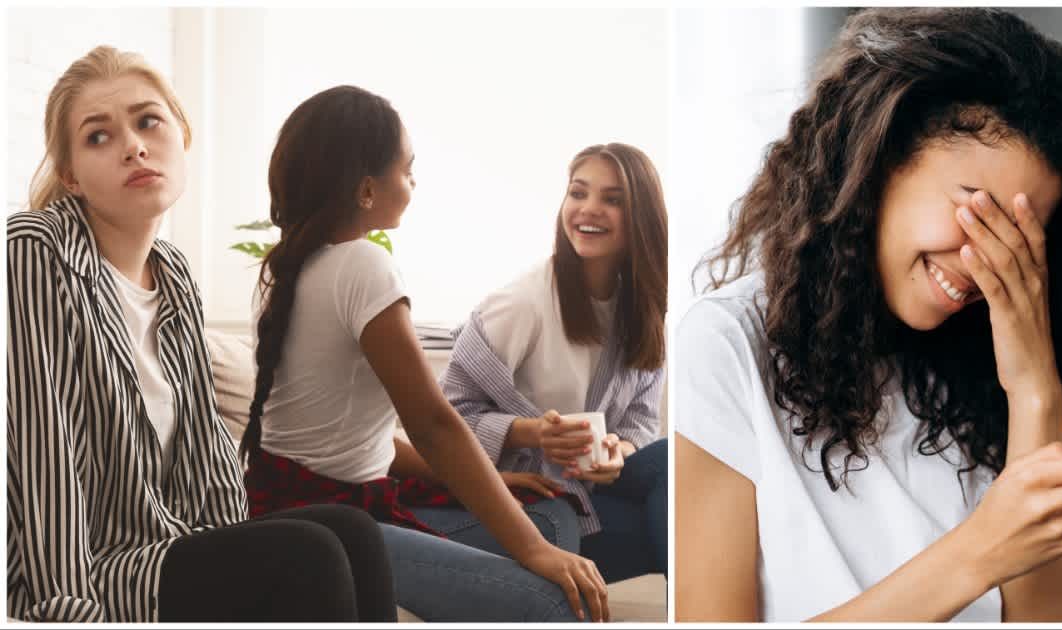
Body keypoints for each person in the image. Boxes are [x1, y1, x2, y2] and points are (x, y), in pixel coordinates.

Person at [674, 8, 1062, 622]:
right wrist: (983, 550)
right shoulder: (727, 344)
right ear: (878, 162)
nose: (984, 262)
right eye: (976, 212)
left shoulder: (986, 364)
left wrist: (1034, 388)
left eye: (1021, 239)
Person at [7, 45, 396, 623]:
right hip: (90, 565)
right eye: (98, 137)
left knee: (352, 531)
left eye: (147, 121)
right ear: (71, 175)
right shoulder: (35, 252)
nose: (134, 145)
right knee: (306, 556)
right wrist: (67, 609)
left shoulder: (174, 274)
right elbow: (43, 449)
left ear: (180, 135)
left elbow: (201, 451)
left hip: (163, 544)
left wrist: (232, 549)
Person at [241, 85, 609, 622]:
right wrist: (531, 551)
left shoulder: (286, 267)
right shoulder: (364, 266)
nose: (414, 182)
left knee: (552, 517)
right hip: (328, 523)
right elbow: (434, 425)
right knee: (558, 595)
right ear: (367, 188)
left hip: (300, 500)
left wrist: (491, 483)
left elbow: (352, 442)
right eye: (408, 169)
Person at [439, 143, 669, 583]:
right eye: (578, 193)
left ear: (641, 216)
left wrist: (619, 452)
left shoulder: (643, 312)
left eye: (612, 199)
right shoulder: (520, 304)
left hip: (589, 492)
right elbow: (444, 421)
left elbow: (640, 422)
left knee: (669, 472)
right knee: (674, 510)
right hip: (525, 499)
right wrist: (533, 434)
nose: (588, 209)